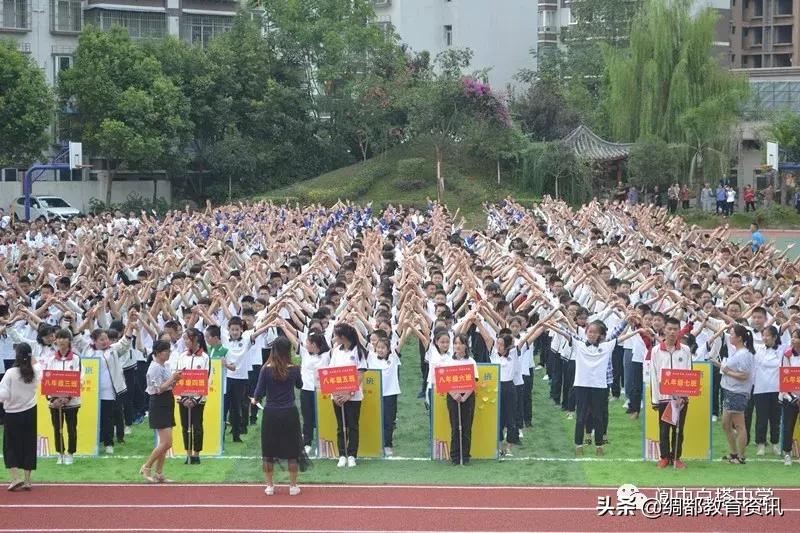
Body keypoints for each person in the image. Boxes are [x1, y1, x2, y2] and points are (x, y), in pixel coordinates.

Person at [251, 336, 304, 496]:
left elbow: (258, 393)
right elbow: (299, 385)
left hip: (271, 413)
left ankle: (269, 486)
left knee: (268, 449)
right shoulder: (294, 369)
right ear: (288, 351)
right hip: (289, 412)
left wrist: (254, 400)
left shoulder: (266, 369)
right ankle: (293, 486)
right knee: (293, 449)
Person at [649, 318, 693, 469]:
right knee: (664, 428)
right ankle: (664, 457)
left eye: (675, 329)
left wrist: (684, 396)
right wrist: (655, 399)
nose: (672, 332)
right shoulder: (656, 351)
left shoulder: (685, 350)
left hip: (680, 398)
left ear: (679, 330)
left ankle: (676, 457)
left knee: (679, 429)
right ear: (664, 330)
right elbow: (654, 376)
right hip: (663, 397)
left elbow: (689, 372)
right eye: (669, 329)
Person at [710, 324, 754, 464]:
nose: (730, 336)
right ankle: (734, 453)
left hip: (737, 392)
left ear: (739, 338)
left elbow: (745, 375)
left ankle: (741, 456)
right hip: (729, 391)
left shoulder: (744, 354)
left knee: (739, 425)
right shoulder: (736, 352)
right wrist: (719, 365)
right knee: (725, 424)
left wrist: (727, 371)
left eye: (732, 334)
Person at [0, 343, 41, 491]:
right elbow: (36, 364)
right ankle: (28, 480)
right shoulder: (35, 371)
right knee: (28, 445)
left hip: (12, 414)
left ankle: (16, 478)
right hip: (30, 412)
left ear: (16, 356)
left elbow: (3, 395)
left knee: (10, 446)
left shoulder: (10, 373)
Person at [140, 340, 182, 483]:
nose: (169, 353)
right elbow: (158, 389)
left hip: (166, 401)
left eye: (169, 350)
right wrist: (172, 378)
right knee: (166, 442)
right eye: (166, 351)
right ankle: (147, 466)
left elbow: (168, 386)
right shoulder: (155, 368)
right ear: (158, 353)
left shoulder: (164, 366)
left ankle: (159, 472)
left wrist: (175, 379)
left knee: (167, 442)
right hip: (159, 403)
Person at [327, 323, 367, 468]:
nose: (334, 337)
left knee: (353, 425)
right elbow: (331, 373)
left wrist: (349, 394)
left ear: (343, 337)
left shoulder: (359, 351)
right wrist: (335, 393)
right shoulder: (336, 351)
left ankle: (352, 455)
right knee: (340, 426)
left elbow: (360, 374)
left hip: (353, 396)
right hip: (337, 396)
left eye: (336, 335)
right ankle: (342, 454)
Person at [43, 329, 81, 465]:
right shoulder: (51, 359)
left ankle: (71, 453)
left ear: (69, 341)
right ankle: (60, 453)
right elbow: (46, 380)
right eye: (58, 338)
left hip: (72, 402)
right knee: (57, 428)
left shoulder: (76, 359)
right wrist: (54, 399)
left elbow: (79, 379)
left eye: (64, 338)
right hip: (55, 403)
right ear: (56, 340)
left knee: (71, 428)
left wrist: (67, 398)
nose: (61, 341)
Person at [175, 328, 210, 465]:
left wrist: (195, 399)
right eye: (184, 339)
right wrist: (184, 398)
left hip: (198, 400)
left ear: (195, 339)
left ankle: (196, 454)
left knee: (197, 426)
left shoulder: (205, 357)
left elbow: (206, 379)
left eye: (187, 339)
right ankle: (188, 454)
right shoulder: (182, 356)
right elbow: (178, 376)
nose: (185, 342)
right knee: (185, 426)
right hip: (183, 398)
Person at [444, 334, 479, 465]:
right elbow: (444, 381)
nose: (457, 346)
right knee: (455, 426)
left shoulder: (471, 362)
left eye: (460, 343)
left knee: (466, 426)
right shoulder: (449, 361)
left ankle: (465, 456)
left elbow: (474, 381)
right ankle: (455, 456)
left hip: (468, 397)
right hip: (452, 396)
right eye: (456, 343)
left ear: (465, 346)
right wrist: (454, 395)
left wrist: (464, 396)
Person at [367, 336, 400, 457]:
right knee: (374, 419)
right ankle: (374, 444)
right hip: (374, 394)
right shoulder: (370, 356)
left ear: (388, 349)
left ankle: (387, 445)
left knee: (388, 421)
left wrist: (408, 327)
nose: (380, 350)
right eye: (378, 347)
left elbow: (401, 342)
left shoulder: (393, 357)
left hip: (390, 394)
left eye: (383, 348)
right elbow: (361, 342)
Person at [752, 326, 782, 457]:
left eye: (767, 335)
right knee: (761, 419)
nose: (764, 338)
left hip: (777, 389)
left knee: (775, 419)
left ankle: (775, 444)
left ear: (775, 337)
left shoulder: (782, 350)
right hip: (760, 389)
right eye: (763, 335)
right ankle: (761, 445)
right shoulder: (758, 349)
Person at [299, 332, 330, 455]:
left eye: (308, 342)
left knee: (321, 418)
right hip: (306, 390)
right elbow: (293, 338)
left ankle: (321, 443)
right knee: (307, 417)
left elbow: (338, 343)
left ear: (314, 344)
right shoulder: (304, 353)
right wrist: (284, 325)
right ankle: (307, 443)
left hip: (321, 391)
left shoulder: (327, 355)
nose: (305, 344)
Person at [780, 330, 800, 466]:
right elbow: (785, 377)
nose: (793, 340)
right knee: (788, 425)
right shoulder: (787, 355)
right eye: (792, 337)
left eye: (796, 337)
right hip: (790, 396)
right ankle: (787, 453)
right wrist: (794, 397)